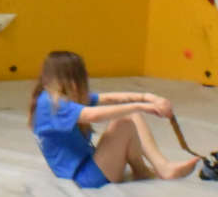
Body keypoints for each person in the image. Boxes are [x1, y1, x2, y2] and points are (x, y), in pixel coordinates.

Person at [29, 51, 197, 185]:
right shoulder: (51, 103)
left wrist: (148, 97)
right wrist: (143, 106)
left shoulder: (61, 96)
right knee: (123, 120)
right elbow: (92, 115)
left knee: (129, 115)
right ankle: (146, 170)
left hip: (90, 165)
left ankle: (159, 167)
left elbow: (109, 98)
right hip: (84, 177)